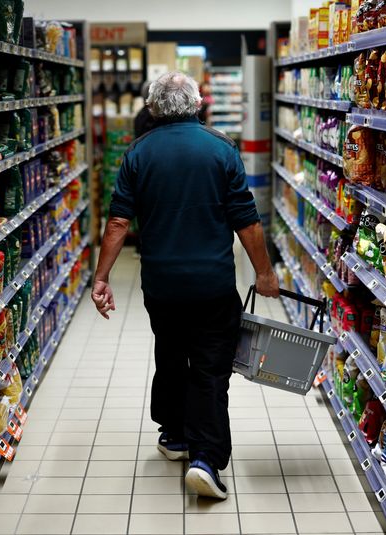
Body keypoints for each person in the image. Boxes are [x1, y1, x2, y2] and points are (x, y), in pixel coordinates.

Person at [91, 71, 279, 500]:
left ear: (152, 109)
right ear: (198, 104)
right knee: (211, 369)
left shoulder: (138, 152)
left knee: (171, 354)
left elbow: (119, 220)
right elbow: (245, 220)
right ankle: (205, 459)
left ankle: (174, 435)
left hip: (161, 286)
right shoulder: (221, 149)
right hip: (212, 285)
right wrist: (265, 274)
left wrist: (101, 278)